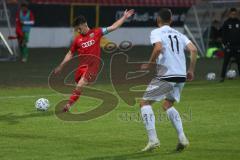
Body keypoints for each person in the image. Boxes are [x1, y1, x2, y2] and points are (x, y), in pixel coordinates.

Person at [139, 8, 197, 152]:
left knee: (145, 103)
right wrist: (190, 70)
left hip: (167, 74)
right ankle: (182, 138)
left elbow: (158, 48)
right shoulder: (180, 34)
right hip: (180, 76)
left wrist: (149, 63)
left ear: (158, 20)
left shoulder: (156, 32)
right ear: (171, 21)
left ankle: (153, 140)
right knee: (167, 105)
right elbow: (194, 50)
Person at [54, 9, 134, 112]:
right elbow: (70, 53)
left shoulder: (97, 32)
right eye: (76, 29)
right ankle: (77, 93)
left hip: (93, 67)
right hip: (81, 67)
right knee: (79, 85)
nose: (78, 31)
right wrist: (61, 65)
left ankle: (68, 105)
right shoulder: (77, 40)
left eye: (79, 28)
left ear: (84, 24)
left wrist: (124, 17)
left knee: (80, 84)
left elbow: (114, 27)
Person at [220, 8, 240, 82]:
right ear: (229, 14)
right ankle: (222, 77)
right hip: (229, 46)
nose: (233, 15)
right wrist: (225, 44)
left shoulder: (239, 22)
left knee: (239, 62)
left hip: (238, 46)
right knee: (225, 62)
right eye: (232, 14)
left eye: (235, 14)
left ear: (236, 14)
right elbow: (223, 34)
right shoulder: (226, 23)